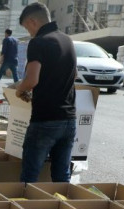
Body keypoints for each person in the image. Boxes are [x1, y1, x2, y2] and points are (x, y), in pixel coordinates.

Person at [16, 2, 77, 183]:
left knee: (29, 176)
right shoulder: (68, 40)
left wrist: (20, 90)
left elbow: (32, 79)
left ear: (33, 21)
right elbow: (73, 75)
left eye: (28, 28)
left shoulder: (38, 42)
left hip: (45, 120)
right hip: (69, 119)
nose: (29, 33)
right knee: (62, 176)